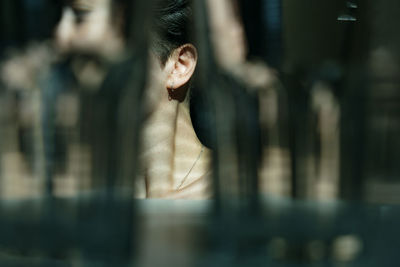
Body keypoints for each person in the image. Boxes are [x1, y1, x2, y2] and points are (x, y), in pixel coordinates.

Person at [53, 0, 213, 199]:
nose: (61, 35)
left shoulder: (238, 194)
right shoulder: (79, 193)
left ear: (179, 66)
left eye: (81, 16)